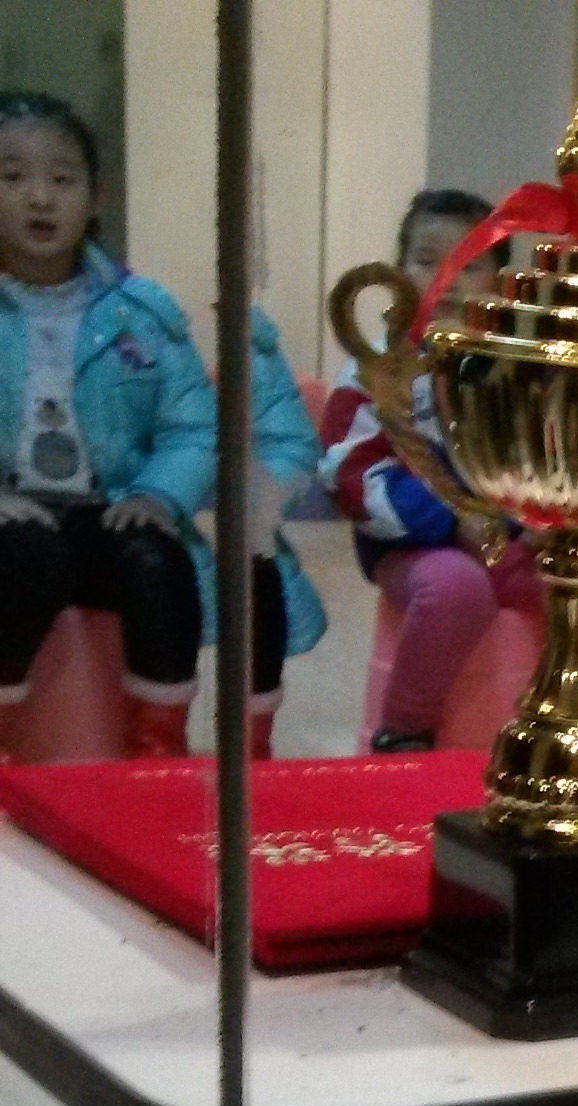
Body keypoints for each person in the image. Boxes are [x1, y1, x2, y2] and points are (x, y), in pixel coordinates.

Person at [0, 91, 305, 758]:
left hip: (104, 510)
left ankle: (157, 745)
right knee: (21, 560)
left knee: (156, 561)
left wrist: (157, 495)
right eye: (12, 177)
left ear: (96, 197)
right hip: (10, 522)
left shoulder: (140, 312)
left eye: (62, 179)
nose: (40, 199)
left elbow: (190, 427)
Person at [318, 187, 531, 752]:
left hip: (506, 542)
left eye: (470, 263)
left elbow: (537, 459)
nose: (448, 278)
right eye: (426, 260)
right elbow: (348, 473)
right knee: (456, 589)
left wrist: (531, 524)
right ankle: (405, 730)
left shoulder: (516, 368)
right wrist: (448, 520)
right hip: (410, 545)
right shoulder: (375, 369)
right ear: (397, 275)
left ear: (502, 283)